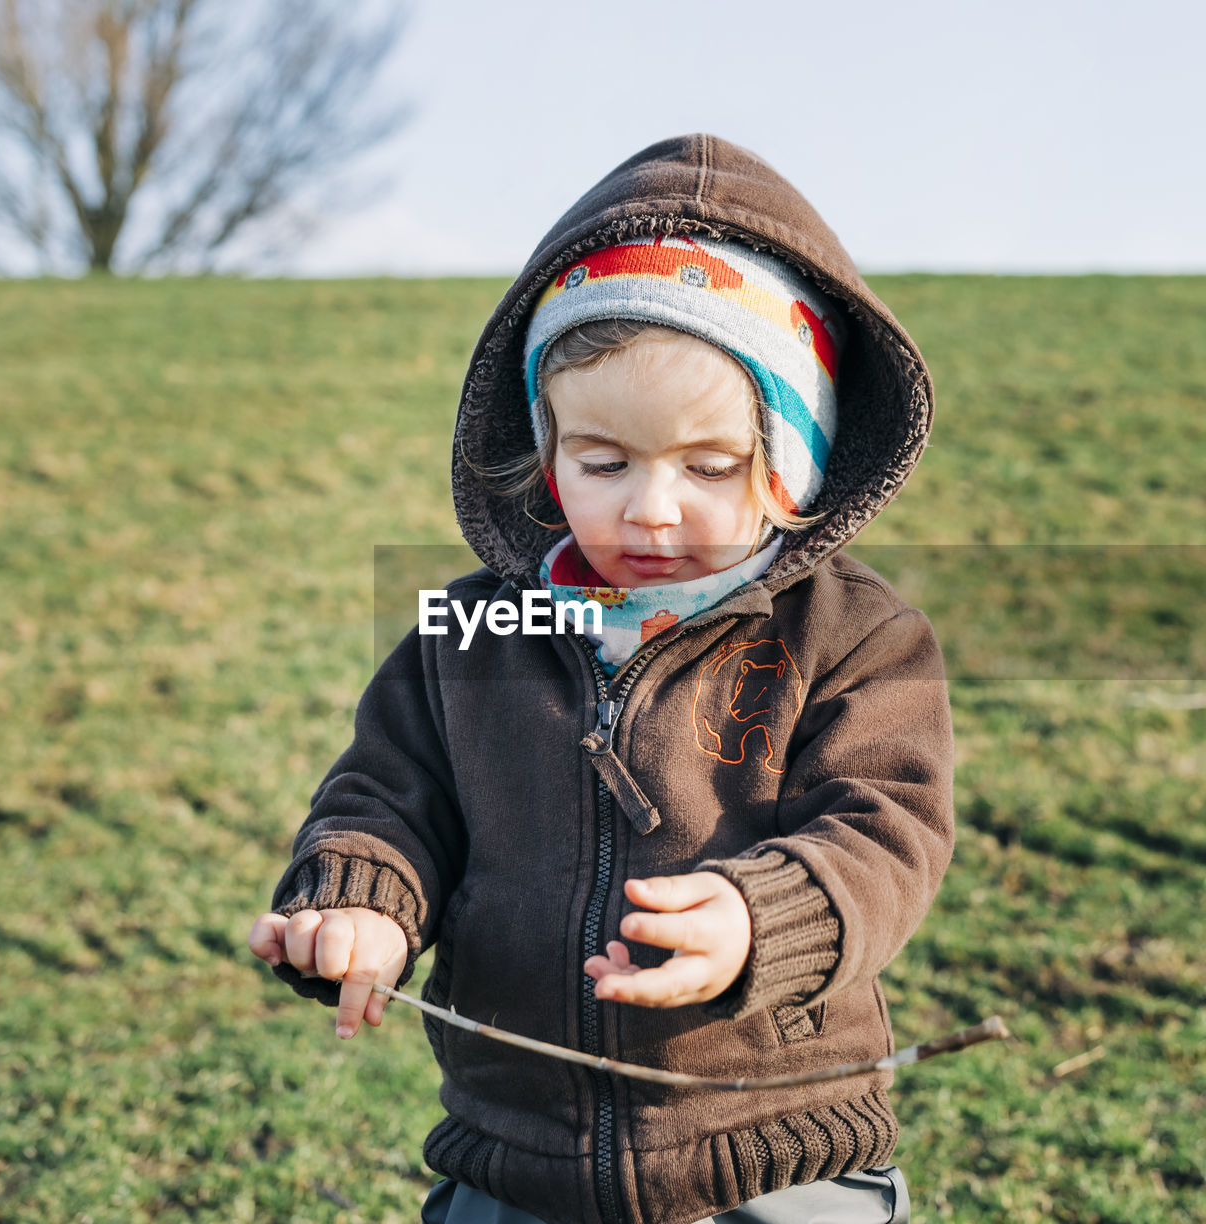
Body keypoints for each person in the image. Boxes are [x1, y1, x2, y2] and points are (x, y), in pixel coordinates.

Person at [249, 134, 953, 1224]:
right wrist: (359, 900)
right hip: (520, 1158)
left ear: (795, 463)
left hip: (775, 1156)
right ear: (545, 453)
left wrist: (757, 916)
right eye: (602, 462)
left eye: (709, 467)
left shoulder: (852, 635)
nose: (650, 508)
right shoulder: (467, 630)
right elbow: (386, 798)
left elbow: (885, 830)